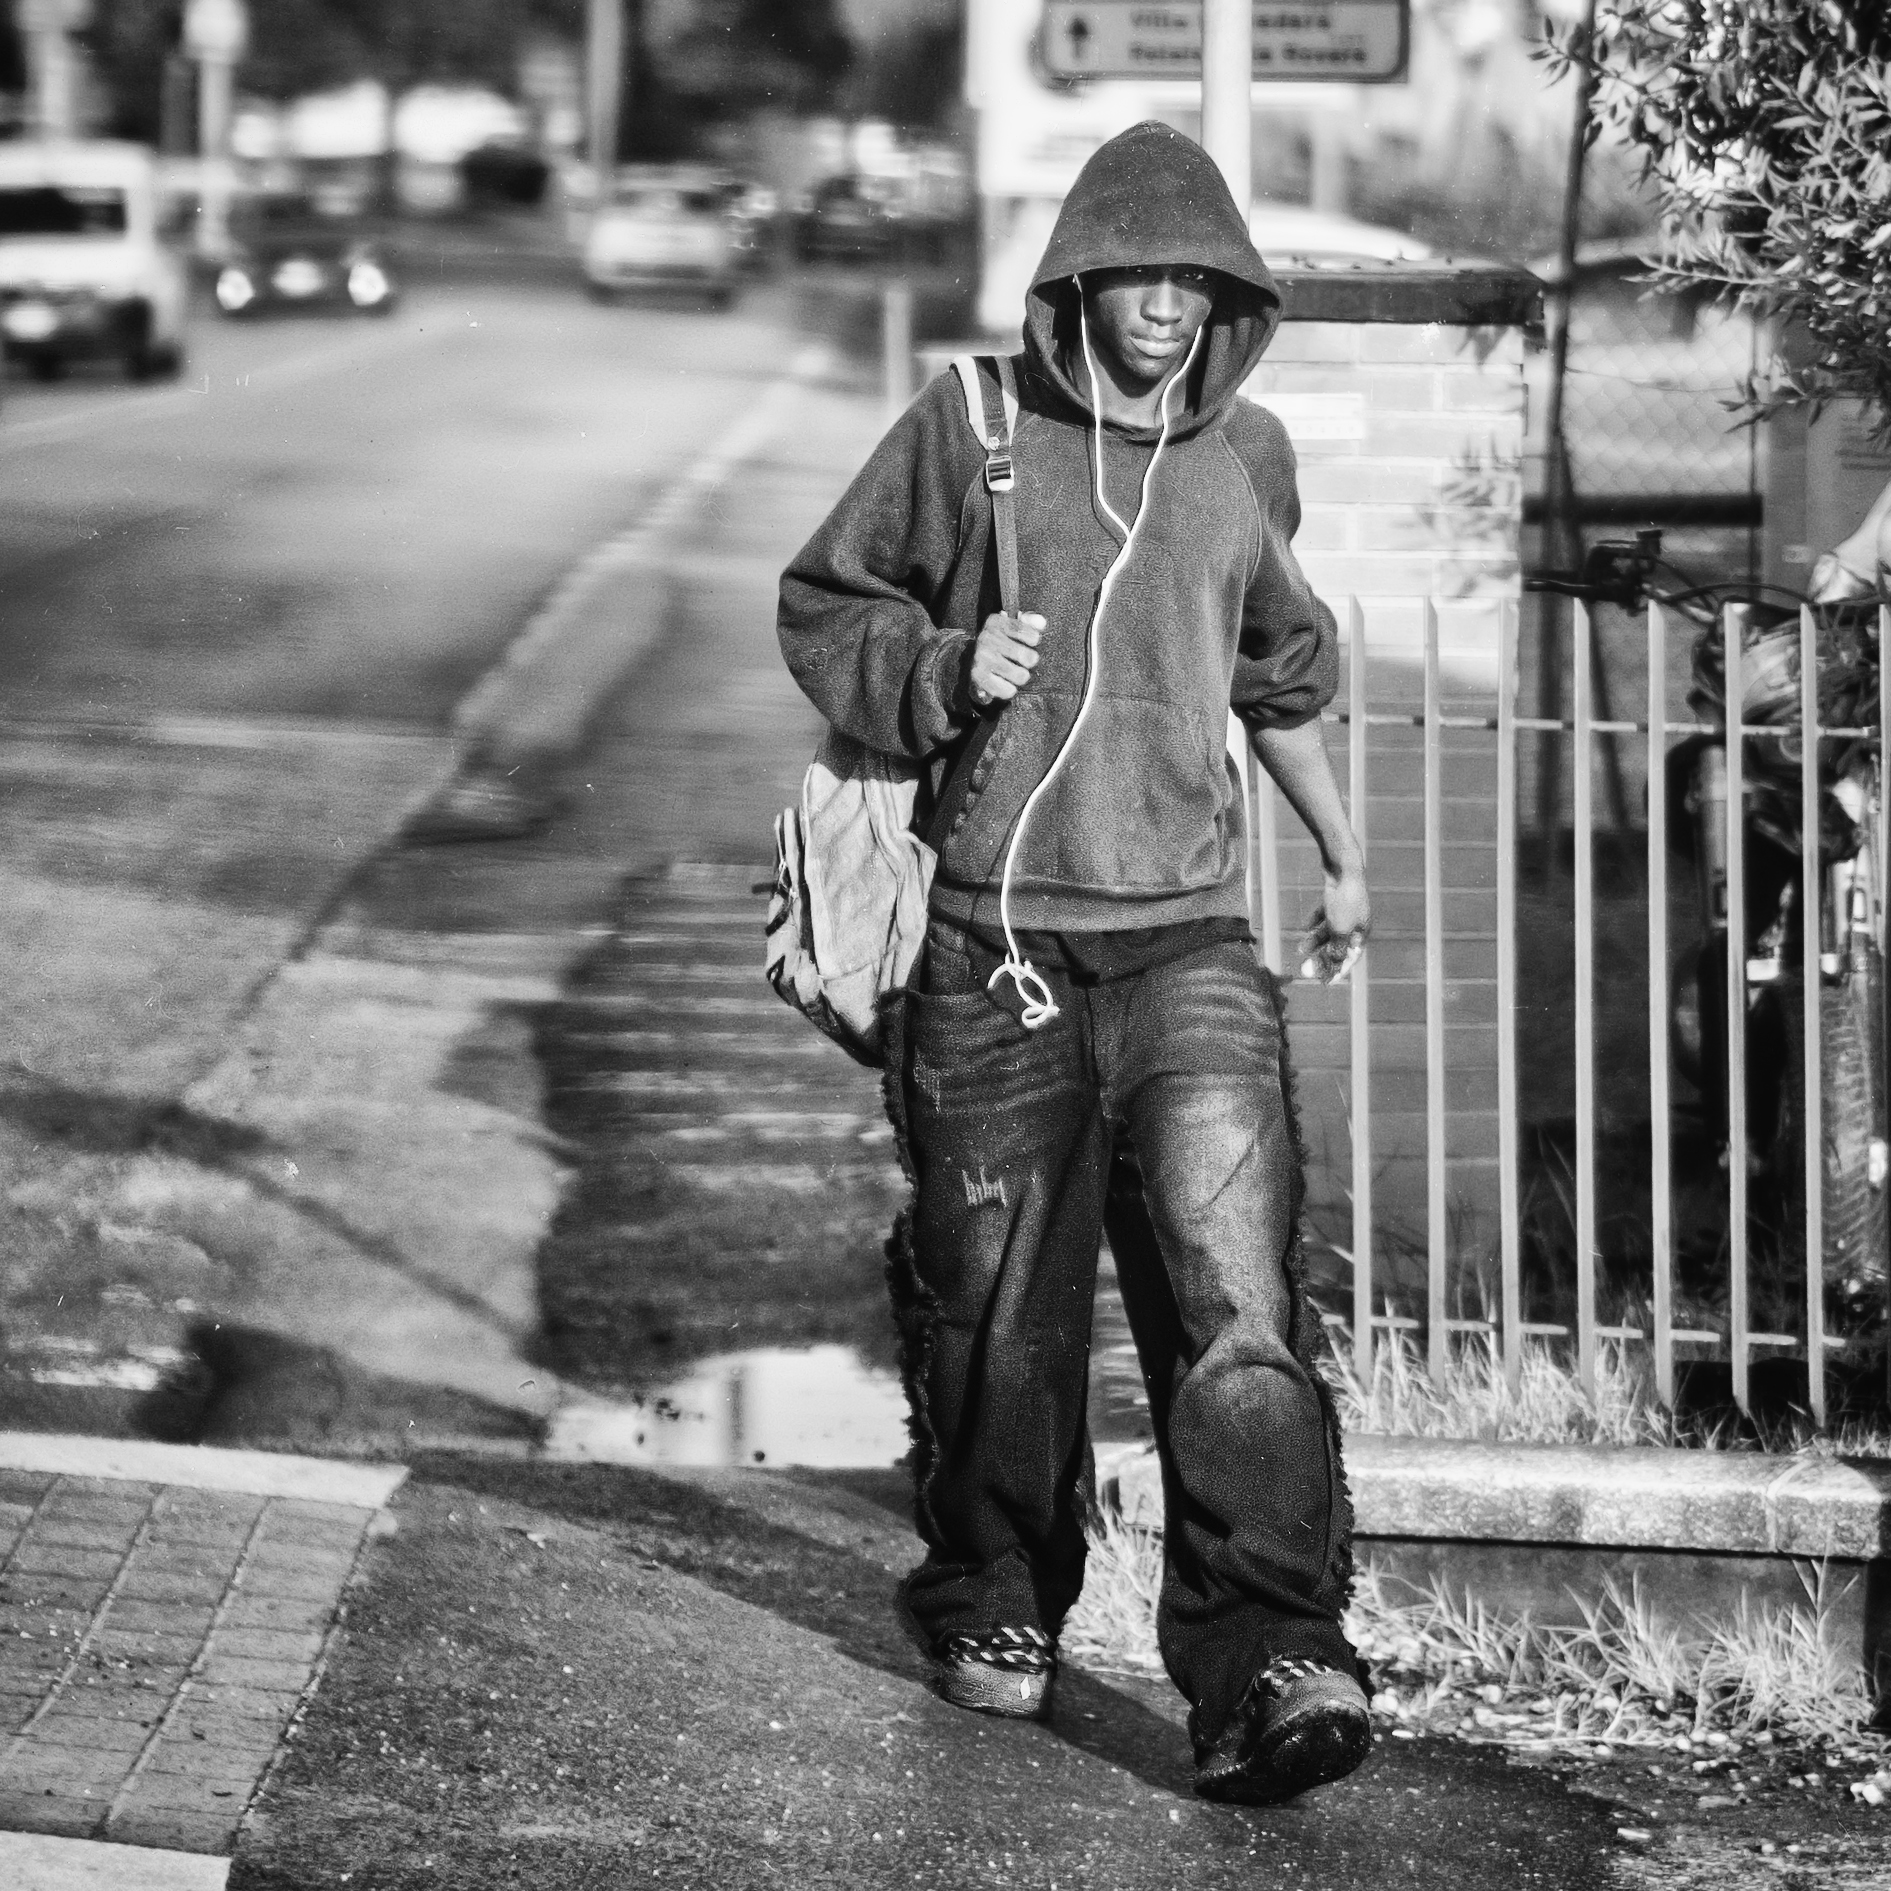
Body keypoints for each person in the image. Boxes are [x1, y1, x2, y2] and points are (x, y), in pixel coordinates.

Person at [777, 120, 1373, 1806]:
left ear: (1226, 293)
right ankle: (994, 1593)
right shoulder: (971, 428)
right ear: (1077, 280)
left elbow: (1277, 670)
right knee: (998, 1319)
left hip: (1188, 946)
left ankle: (1271, 1654)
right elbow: (828, 608)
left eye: (1198, 276)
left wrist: (1340, 852)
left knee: (1237, 1306)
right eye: (1137, 273)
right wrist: (952, 663)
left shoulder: (1247, 452)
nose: (1167, 305)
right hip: (992, 956)